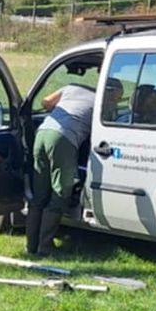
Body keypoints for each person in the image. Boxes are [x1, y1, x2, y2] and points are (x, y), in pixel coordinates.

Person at [26, 78, 122, 256]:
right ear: (111, 93)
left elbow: (46, 102)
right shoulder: (102, 102)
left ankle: (31, 245)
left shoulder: (71, 87)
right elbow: (108, 128)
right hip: (63, 139)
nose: (116, 102)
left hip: (43, 133)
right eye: (117, 98)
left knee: (39, 194)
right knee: (60, 192)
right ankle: (45, 246)